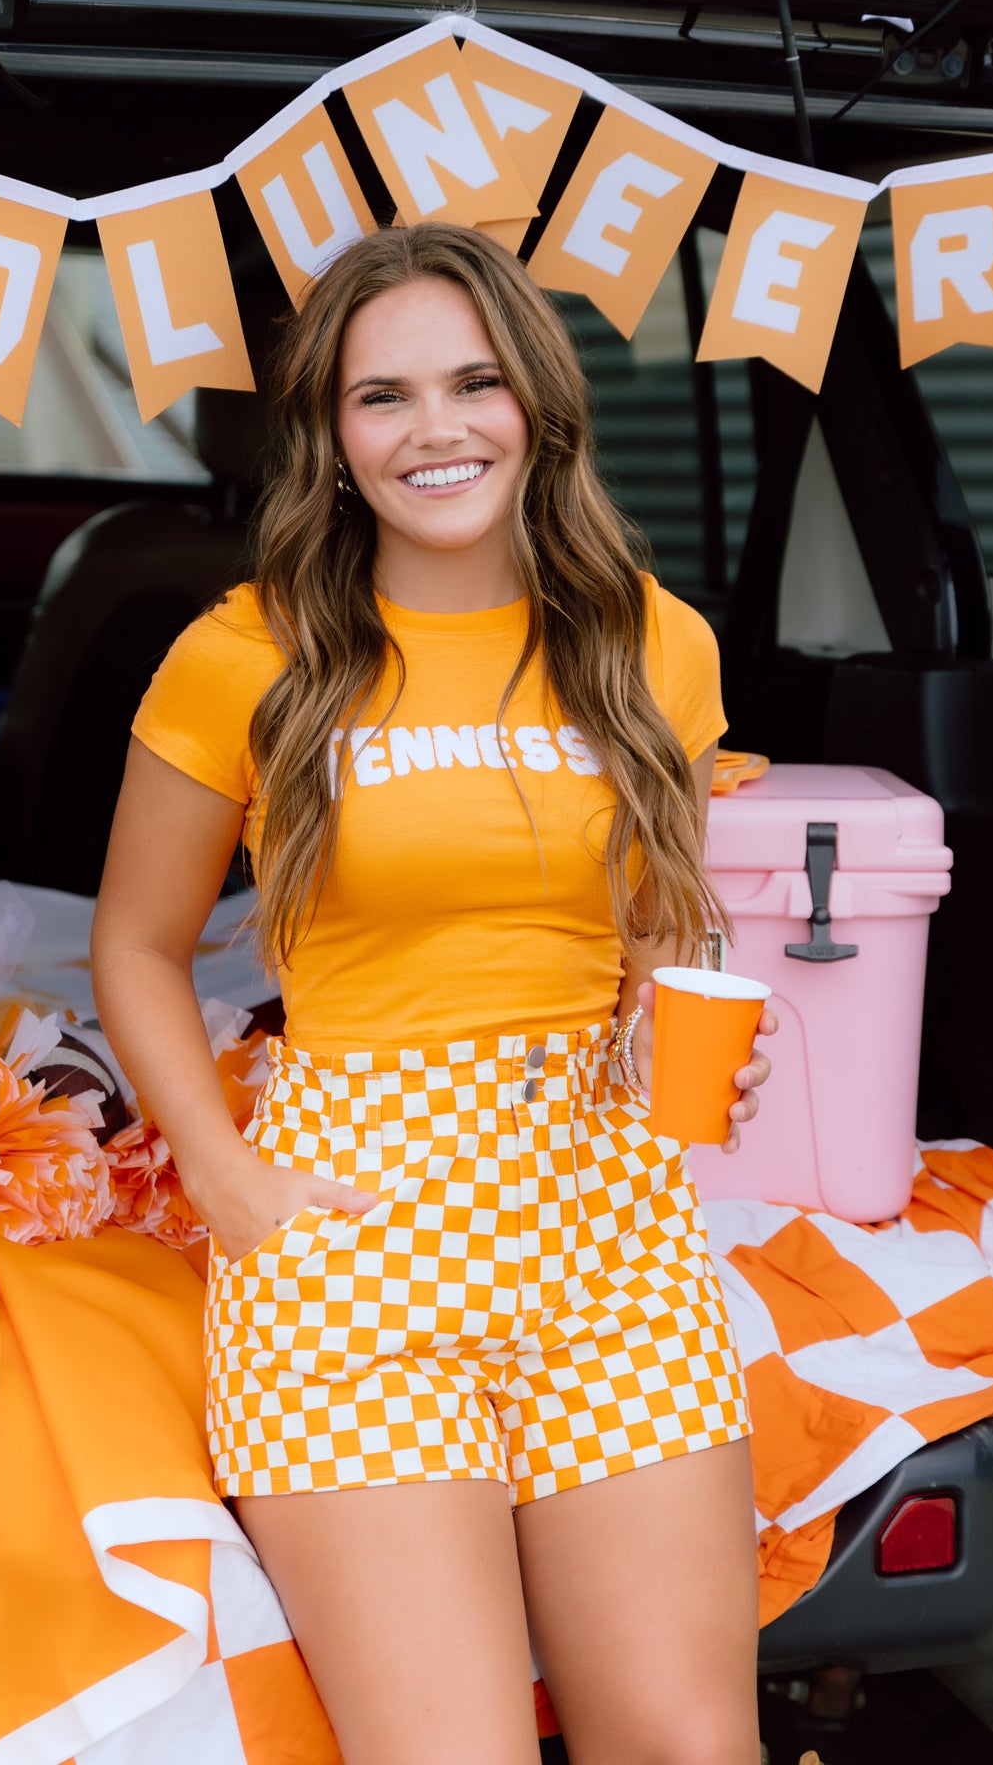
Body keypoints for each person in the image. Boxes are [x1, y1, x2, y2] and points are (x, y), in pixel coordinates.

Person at [92, 221, 775, 1765]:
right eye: (379, 396)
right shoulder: (245, 655)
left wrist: (686, 1032)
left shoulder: (650, 645)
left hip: (608, 1220)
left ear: (535, 405)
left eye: (472, 383)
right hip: (354, 1230)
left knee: (685, 1746)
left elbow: (660, 917)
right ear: (330, 439)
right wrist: (226, 1177)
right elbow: (134, 941)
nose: (435, 430)